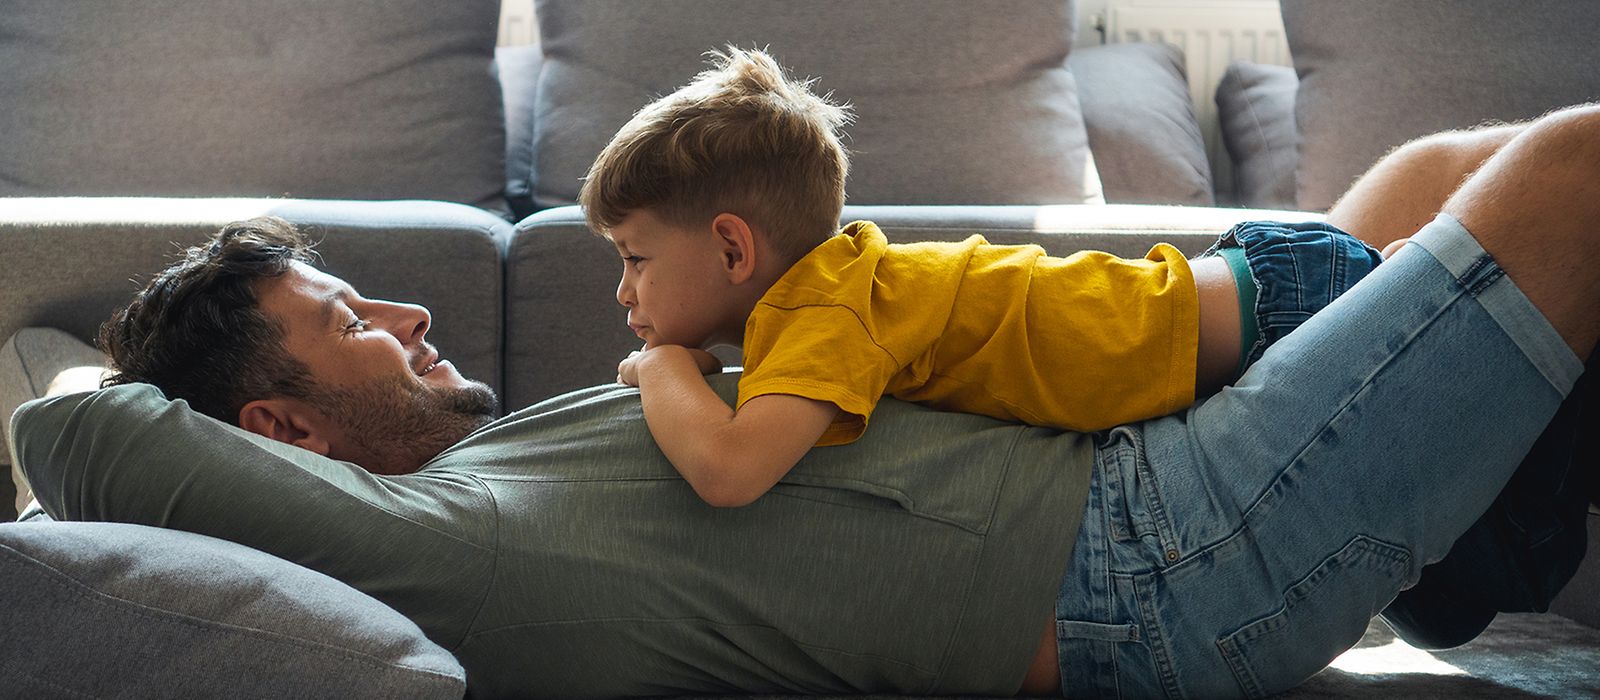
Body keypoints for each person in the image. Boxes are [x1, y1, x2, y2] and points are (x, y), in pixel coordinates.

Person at [12, 101, 1600, 697]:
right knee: (1568, 174)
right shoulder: (430, 548)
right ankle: (1490, 538)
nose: (411, 312)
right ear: (278, 437)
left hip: (1147, 473)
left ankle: (1483, 542)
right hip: (1165, 565)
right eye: (350, 318)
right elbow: (69, 425)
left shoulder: (495, 475)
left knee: (1435, 179)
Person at [585, 48, 1386, 507]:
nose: (623, 292)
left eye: (634, 258)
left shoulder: (825, 311)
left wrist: (660, 369)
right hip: (1260, 295)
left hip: (1278, 315)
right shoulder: (835, 292)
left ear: (732, 249)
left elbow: (729, 473)